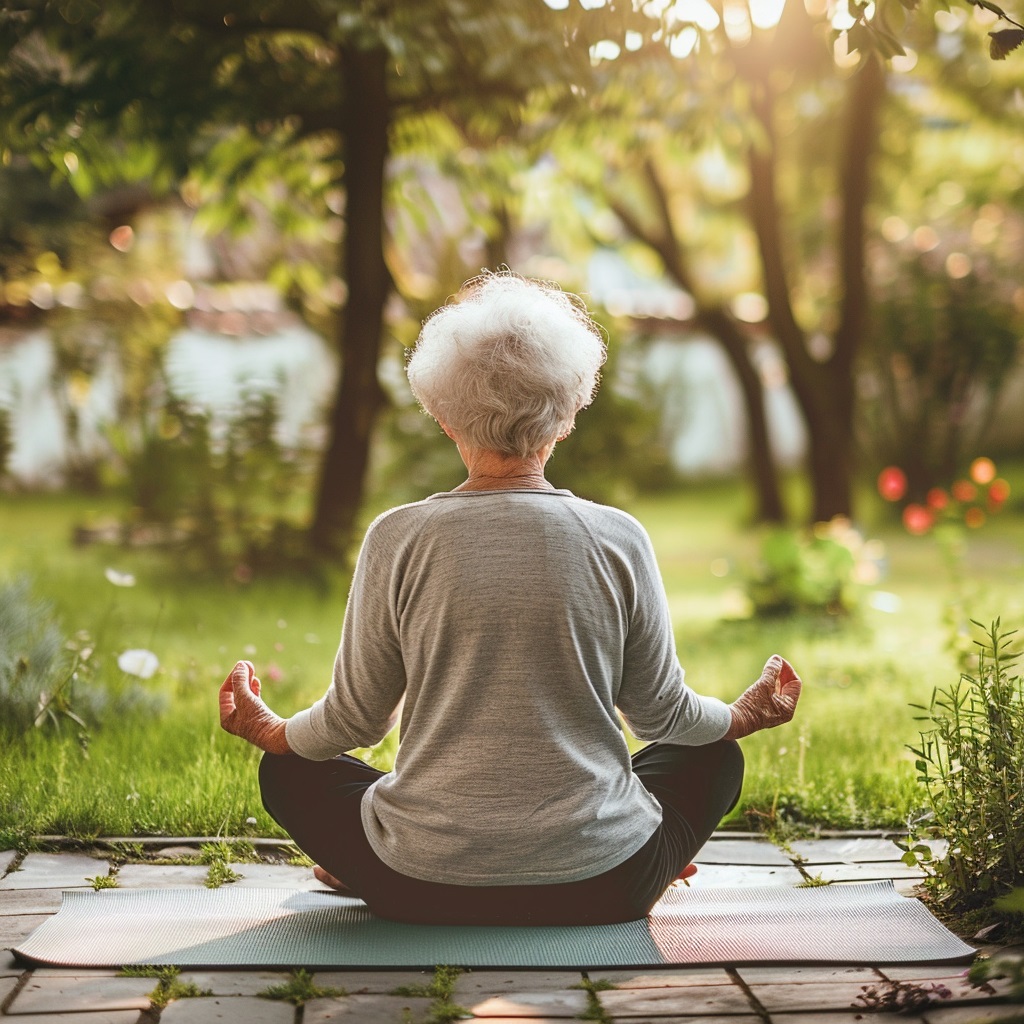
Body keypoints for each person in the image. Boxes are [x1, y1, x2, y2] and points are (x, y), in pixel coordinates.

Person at [218, 270, 802, 926]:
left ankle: (363, 860)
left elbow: (354, 724)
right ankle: (646, 855)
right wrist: (743, 715)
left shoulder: (396, 537)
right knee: (713, 753)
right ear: (569, 413)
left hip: (420, 888)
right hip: (607, 886)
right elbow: (665, 719)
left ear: (442, 416)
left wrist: (269, 730)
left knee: (287, 770)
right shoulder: (619, 538)